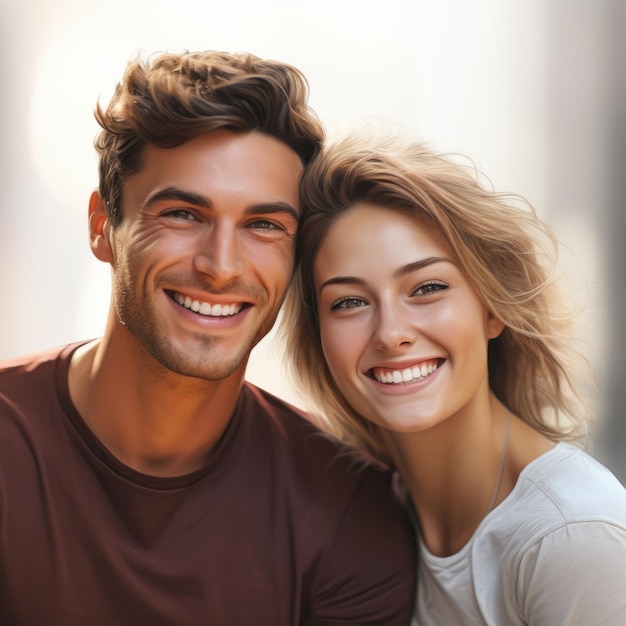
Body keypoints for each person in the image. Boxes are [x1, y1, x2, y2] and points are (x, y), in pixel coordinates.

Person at [0, 52, 417, 625]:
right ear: (103, 227)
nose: (221, 267)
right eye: (183, 214)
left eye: (264, 225)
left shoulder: (347, 512)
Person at [281, 129, 626, 624]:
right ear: (319, 338)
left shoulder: (571, 537)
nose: (391, 333)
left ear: (492, 308)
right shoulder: (360, 510)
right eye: (350, 302)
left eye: (427, 287)